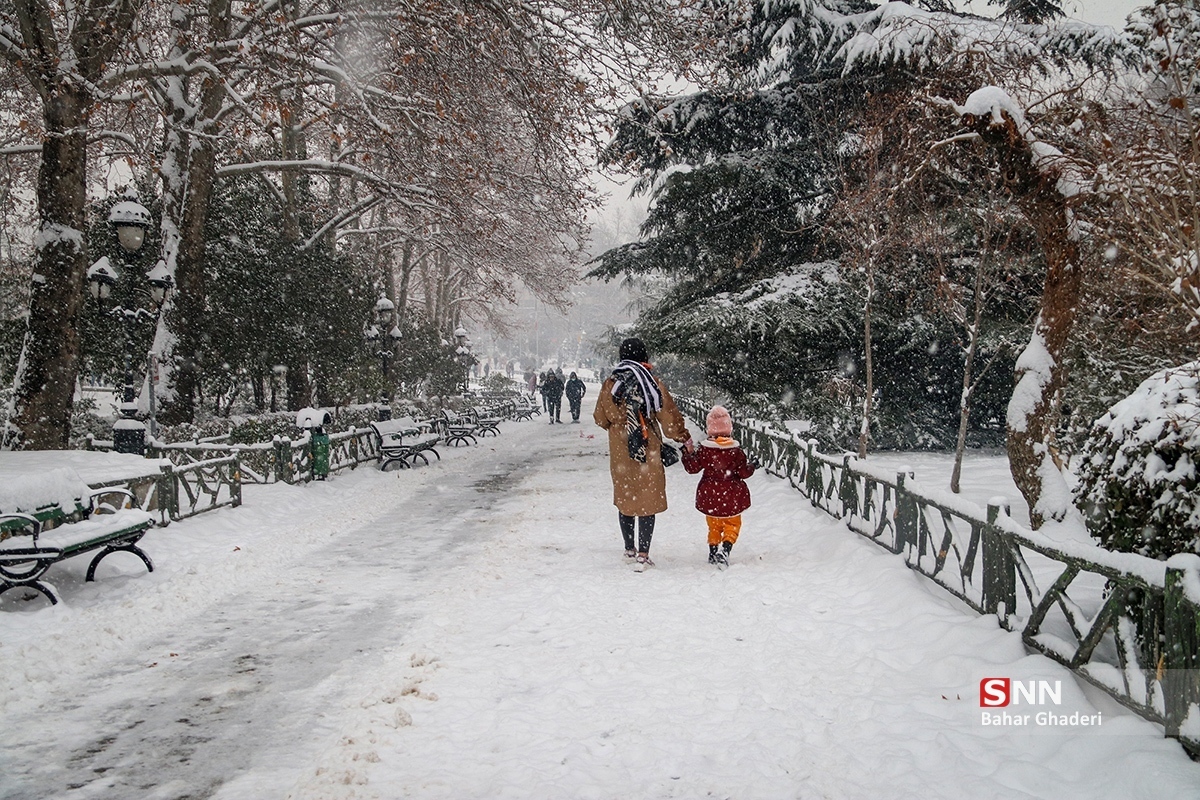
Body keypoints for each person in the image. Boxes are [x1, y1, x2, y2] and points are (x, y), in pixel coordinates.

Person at [593, 338, 692, 570]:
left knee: (626, 498)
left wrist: (619, 425)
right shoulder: (651, 382)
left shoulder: (610, 383)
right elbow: (668, 417)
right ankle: (643, 554)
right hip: (647, 446)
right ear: (643, 356)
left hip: (620, 449)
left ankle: (629, 549)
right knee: (647, 498)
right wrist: (683, 436)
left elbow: (600, 417)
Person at [681, 405, 757, 568]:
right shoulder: (735, 451)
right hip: (731, 496)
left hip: (710, 495)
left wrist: (688, 453)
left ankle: (713, 550)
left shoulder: (705, 450)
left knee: (714, 525)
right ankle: (726, 549)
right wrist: (752, 465)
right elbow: (744, 473)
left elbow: (692, 468)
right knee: (732, 524)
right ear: (729, 428)